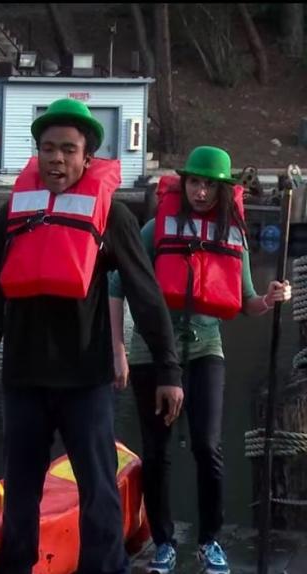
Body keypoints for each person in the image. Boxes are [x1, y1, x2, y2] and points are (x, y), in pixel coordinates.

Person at [0, 98, 183, 574]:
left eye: (68, 149)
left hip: (85, 380)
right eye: (47, 148)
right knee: (20, 490)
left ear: (87, 158)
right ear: (37, 152)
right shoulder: (13, 213)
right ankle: (17, 566)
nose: (56, 159)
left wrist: (168, 369)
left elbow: (146, 296)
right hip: (24, 377)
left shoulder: (111, 216)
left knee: (99, 490)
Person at [109, 146, 291, 574]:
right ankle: (164, 542)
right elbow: (117, 283)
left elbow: (246, 301)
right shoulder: (159, 227)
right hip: (153, 352)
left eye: (210, 184)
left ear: (224, 190)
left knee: (209, 446)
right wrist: (117, 347)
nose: (201, 191)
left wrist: (270, 298)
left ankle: (211, 541)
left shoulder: (234, 234)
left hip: (207, 348)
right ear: (184, 183)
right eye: (194, 182)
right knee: (156, 452)